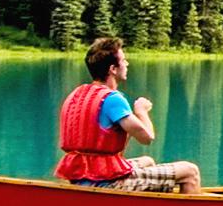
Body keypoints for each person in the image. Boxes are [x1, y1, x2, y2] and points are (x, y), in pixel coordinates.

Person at [56, 35, 205, 195]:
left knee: (147, 162)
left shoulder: (76, 95)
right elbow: (147, 137)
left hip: (81, 177)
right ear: (113, 69)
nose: (127, 64)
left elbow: (109, 146)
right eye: (124, 60)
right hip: (105, 182)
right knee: (191, 172)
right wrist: (141, 112)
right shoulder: (112, 99)